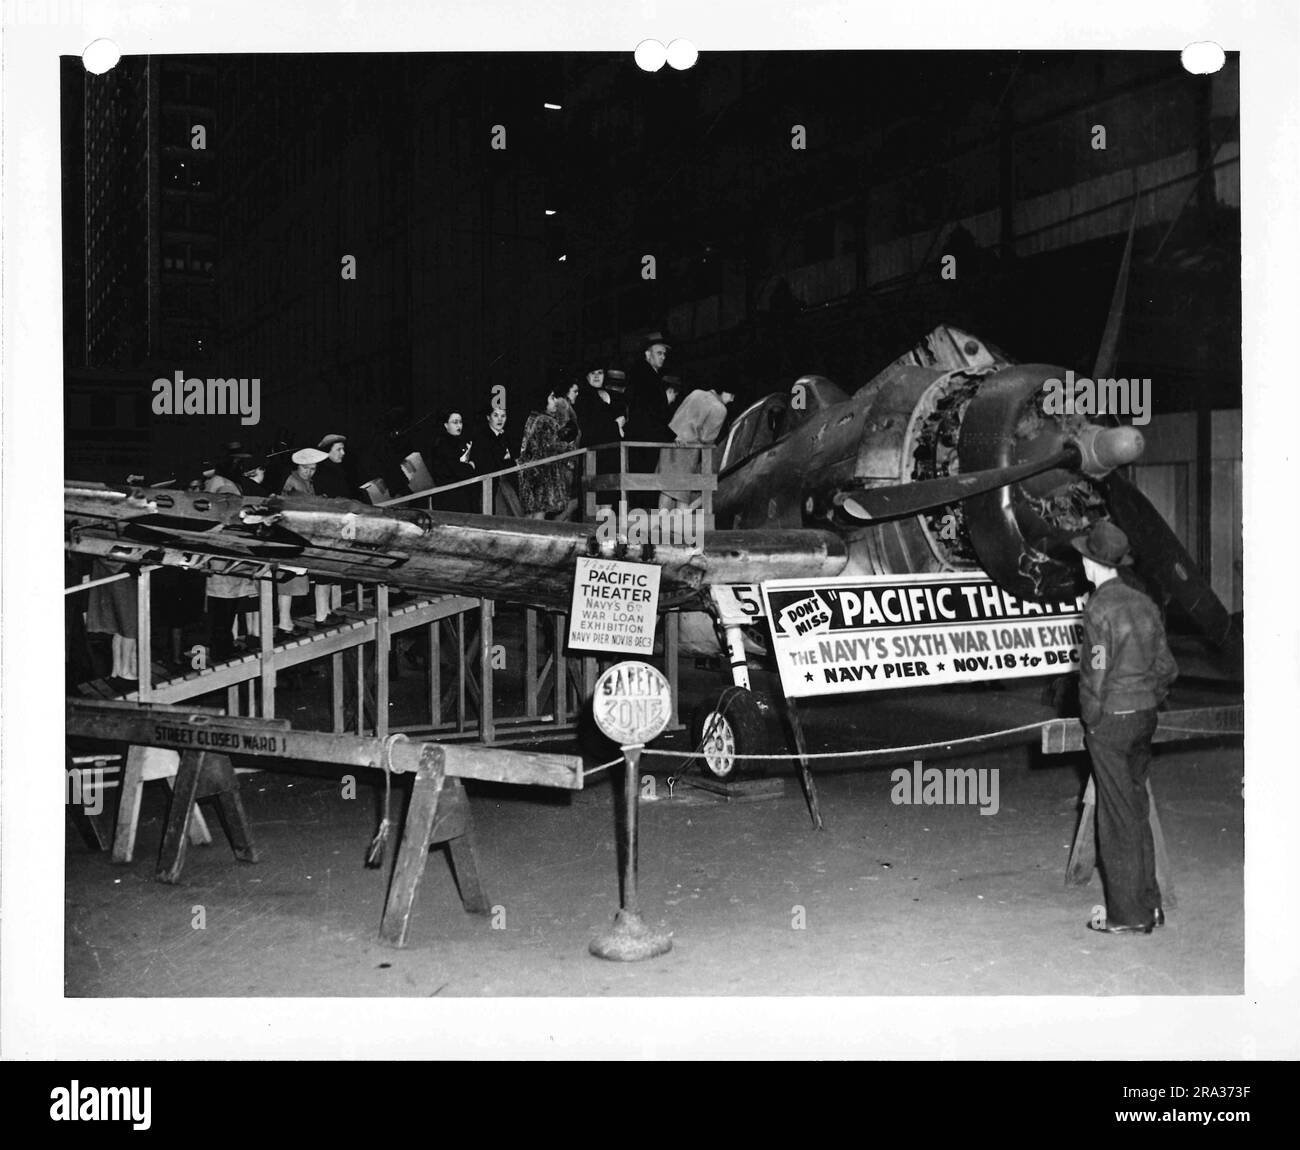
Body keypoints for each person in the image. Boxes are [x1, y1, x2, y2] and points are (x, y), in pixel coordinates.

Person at [1073, 520, 1178, 936]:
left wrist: (1092, 718)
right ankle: (1149, 906)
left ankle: (1125, 915)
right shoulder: (1145, 603)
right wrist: (1145, 696)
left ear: (1090, 563)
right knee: (1135, 811)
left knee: (1115, 819)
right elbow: (1167, 667)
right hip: (1144, 718)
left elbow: (1094, 675)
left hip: (1111, 723)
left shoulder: (1099, 608)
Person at [204, 458, 258, 660]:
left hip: (224, 555)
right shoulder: (224, 486)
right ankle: (221, 651)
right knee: (223, 611)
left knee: (224, 610)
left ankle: (223, 648)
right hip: (224, 555)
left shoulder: (218, 484)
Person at [657, 386, 735, 510]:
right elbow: (706, 438)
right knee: (682, 494)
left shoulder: (696, 393)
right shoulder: (719, 409)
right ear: (724, 391)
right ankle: (679, 528)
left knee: (666, 489)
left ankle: (662, 526)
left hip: (670, 443)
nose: (732, 400)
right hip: (688, 450)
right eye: (732, 396)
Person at [276, 447, 327, 634]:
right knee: (288, 582)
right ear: (298, 466)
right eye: (306, 469)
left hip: (299, 535)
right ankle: (284, 624)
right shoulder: (293, 481)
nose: (310, 472)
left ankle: (286, 622)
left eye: (313, 469)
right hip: (290, 535)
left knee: (293, 582)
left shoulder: (306, 481)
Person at [518, 387, 578, 520]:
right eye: (551, 398)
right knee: (540, 512)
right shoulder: (546, 421)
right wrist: (569, 448)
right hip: (543, 474)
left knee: (530, 514)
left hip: (530, 472)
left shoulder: (532, 418)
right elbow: (550, 447)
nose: (555, 401)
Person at [469, 406, 523, 515]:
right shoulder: (481, 436)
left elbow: (515, 453)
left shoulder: (505, 436)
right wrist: (505, 454)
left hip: (504, 483)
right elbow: (487, 461)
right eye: (496, 415)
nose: (500, 419)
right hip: (487, 486)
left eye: (503, 416)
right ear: (488, 417)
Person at [428, 409, 480, 513]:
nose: (459, 426)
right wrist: (470, 466)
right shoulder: (442, 444)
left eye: (460, 422)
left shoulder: (458, 442)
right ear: (446, 425)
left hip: (461, 494)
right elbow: (455, 469)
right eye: (455, 422)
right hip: (450, 497)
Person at [314, 433, 353, 499]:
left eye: (343, 449)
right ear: (327, 451)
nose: (343, 453)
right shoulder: (322, 472)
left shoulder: (339, 468)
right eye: (339, 449)